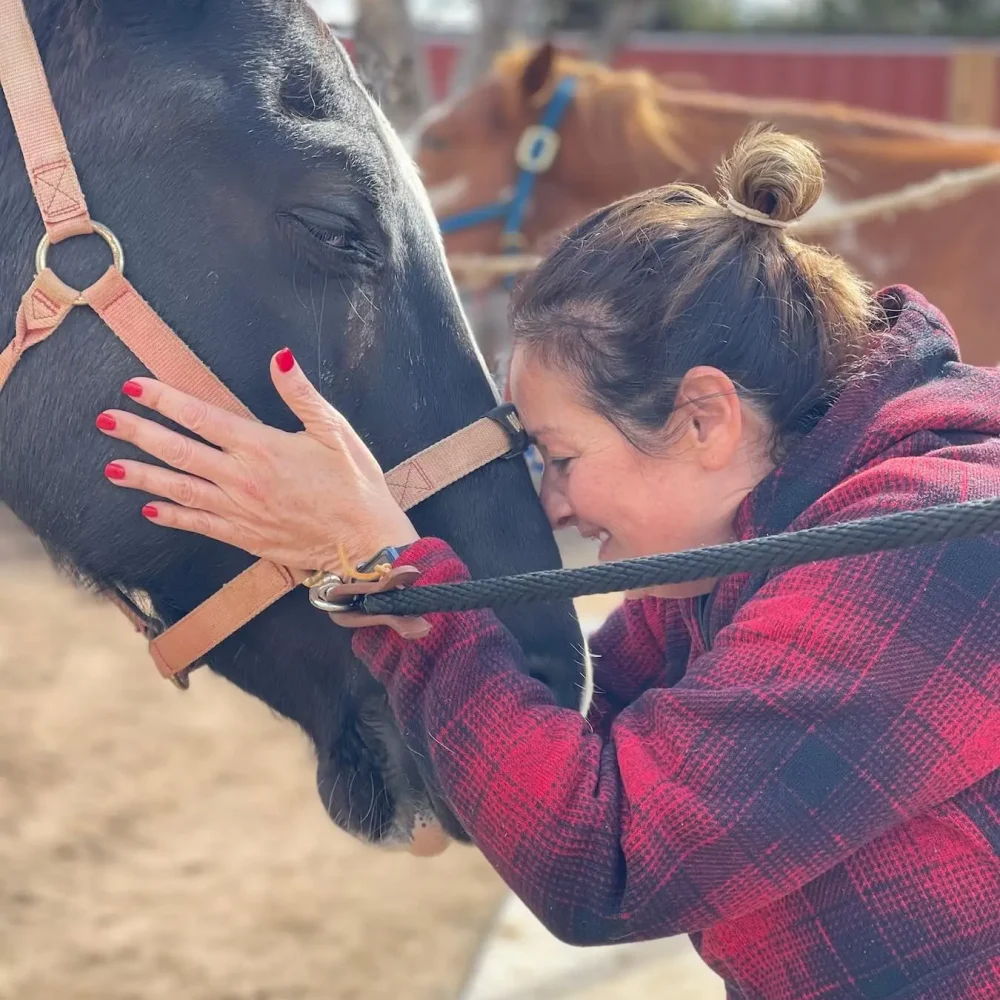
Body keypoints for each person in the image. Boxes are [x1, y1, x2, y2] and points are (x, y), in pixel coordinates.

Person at [95, 125, 1000, 999]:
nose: (555, 505)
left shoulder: (939, 546)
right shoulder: (743, 539)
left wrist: (384, 563)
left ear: (703, 420)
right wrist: (355, 548)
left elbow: (605, 857)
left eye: (560, 458)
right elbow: (574, 724)